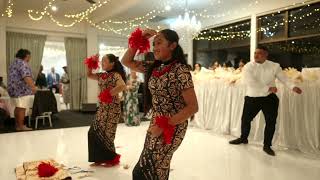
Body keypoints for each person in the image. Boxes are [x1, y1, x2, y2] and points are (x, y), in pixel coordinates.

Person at [122, 29, 198, 180]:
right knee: (153, 167)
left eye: (159, 43)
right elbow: (126, 61)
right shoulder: (153, 67)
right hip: (156, 122)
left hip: (173, 125)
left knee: (150, 167)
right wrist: (140, 39)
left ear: (172, 45)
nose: (154, 47)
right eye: (153, 44)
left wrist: (165, 124)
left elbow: (193, 107)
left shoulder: (181, 70)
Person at [229, 46, 302, 156]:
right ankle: (243, 138)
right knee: (246, 119)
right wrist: (268, 88)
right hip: (252, 97)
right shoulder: (248, 66)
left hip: (269, 98)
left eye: (259, 53)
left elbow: (284, 79)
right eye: (255, 53)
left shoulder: (274, 66)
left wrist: (293, 87)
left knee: (271, 122)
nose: (256, 55)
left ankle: (267, 145)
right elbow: (250, 82)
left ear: (266, 54)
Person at [86, 54, 126, 167]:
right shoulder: (102, 75)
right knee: (94, 132)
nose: (102, 62)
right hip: (103, 109)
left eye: (104, 61)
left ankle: (110, 159)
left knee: (108, 134)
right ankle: (98, 158)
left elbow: (122, 86)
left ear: (112, 63)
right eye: (101, 61)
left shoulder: (115, 75)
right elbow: (89, 74)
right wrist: (91, 63)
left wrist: (108, 94)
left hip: (112, 109)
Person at [8, 49, 37, 131]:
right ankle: (21, 126)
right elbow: (26, 77)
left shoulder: (13, 63)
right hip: (21, 90)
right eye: (29, 57)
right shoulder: (23, 63)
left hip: (12, 89)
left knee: (17, 107)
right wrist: (33, 87)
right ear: (26, 56)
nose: (29, 59)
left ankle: (17, 125)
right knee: (22, 108)